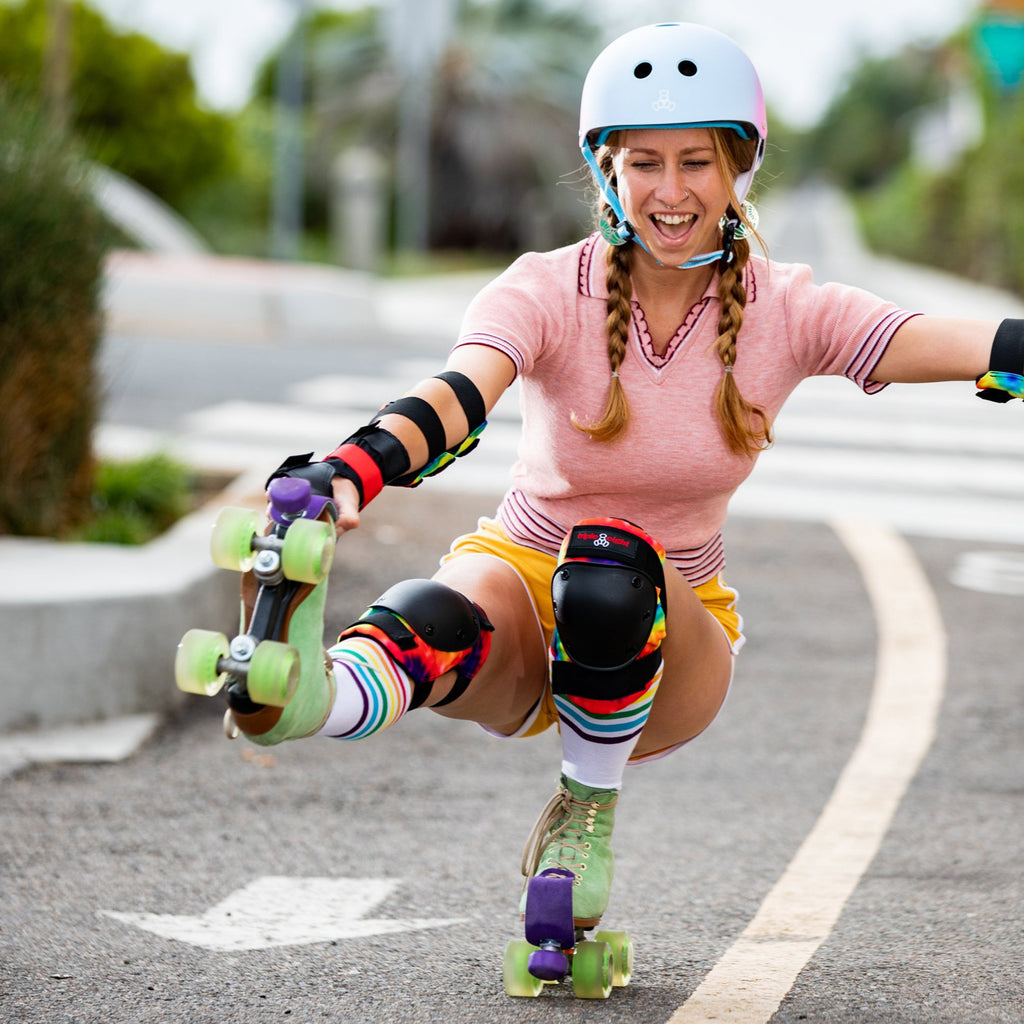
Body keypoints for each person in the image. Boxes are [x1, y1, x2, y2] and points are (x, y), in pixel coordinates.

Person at [210, 22, 1017, 935]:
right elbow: (455, 398)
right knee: (429, 620)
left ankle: (583, 819)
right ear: (606, 169)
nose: (670, 193)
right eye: (644, 164)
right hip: (517, 568)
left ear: (738, 169)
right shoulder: (545, 287)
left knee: (608, 566)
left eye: (696, 163)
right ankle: (299, 693)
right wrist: (352, 469)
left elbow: (935, 341)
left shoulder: (788, 309)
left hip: (671, 629)